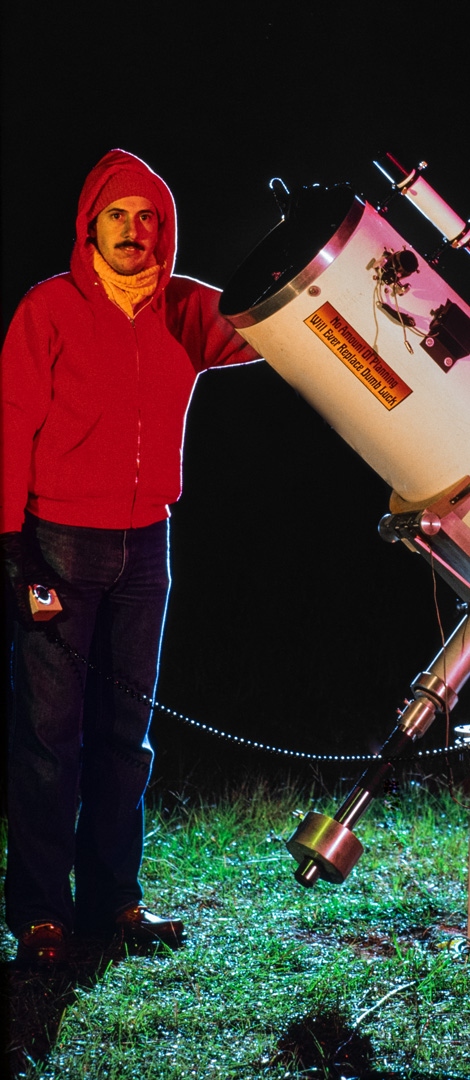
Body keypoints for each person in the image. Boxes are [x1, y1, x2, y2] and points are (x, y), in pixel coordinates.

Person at [1, 149, 260, 963]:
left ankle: (114, 902)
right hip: (58, 542)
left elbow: (277, 323)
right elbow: (9, 425)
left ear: (165, 230)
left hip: (147, 544)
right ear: (91, 224)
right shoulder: (49, 308)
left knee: (126, 736)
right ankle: (43, 913)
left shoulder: (186, 308)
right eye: (118, 215)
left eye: (148, 216)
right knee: (51, 735)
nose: (134, 230)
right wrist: (14, 552)